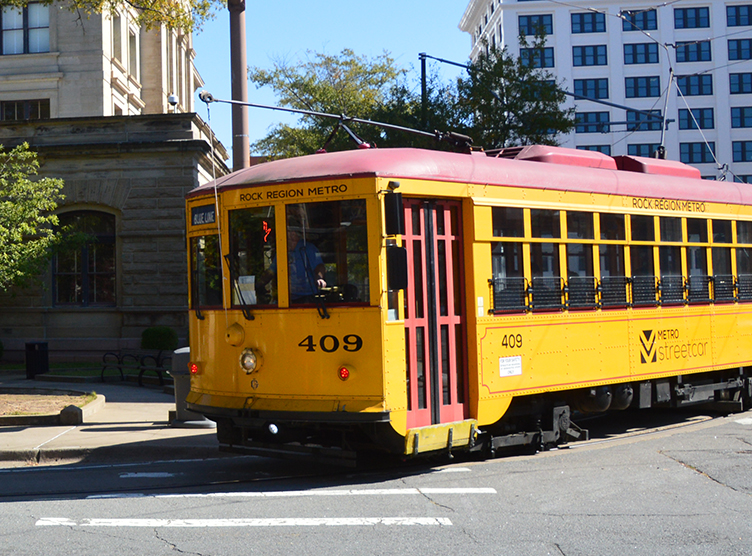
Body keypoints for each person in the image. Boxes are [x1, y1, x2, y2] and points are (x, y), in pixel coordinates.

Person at [287, 223, 326, 303]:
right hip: (288, 296)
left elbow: (319, 266)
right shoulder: (282, 249)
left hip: (308, 296)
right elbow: (271, 270)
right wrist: (259, 283)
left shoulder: (308, 248)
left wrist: (319, 278)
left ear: (293, 234)